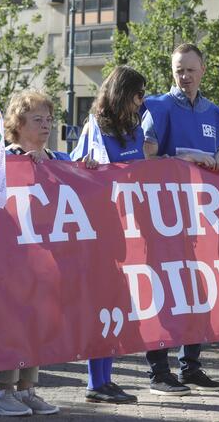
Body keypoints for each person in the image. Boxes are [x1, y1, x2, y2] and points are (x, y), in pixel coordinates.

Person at [140, 43, 219, 395]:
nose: (185, 76)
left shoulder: (215, 113)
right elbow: (146, 156)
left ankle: (190, 366)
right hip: (163, 215)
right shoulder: (158, 107)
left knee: (199, 289)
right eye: (179, 69)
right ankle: (158, 371)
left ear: (203, 70)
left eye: (191, 69)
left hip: (201, 217)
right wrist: (189, 158)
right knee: (163, 291)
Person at [0, 89, 63, 417]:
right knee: (13, 323)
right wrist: (18, 163)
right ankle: (3, 392)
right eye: (37, 119)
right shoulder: (2, 159)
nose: (46, 125)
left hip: (44, 260)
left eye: (49, 119)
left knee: (36, 322)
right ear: (18, 123)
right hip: (11, 259)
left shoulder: (57, 160)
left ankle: (27, 389)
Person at [74, 65, 146, 404]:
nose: (141, 101)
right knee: (99, 305)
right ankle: (94, 382)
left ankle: (106, 378)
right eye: (138, 94)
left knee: (116, 305)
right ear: (122, 94)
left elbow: (141, 172)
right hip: (97, 228)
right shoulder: (94, 128)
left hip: (124, 228)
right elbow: (73, 168)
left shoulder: (135, 130)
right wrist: (84, 166)